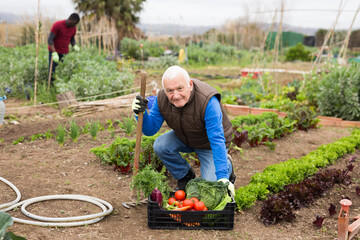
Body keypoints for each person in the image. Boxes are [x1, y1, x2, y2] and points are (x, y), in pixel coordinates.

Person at [132, 65, 236, 196]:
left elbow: (216, 140)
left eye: (180, 88)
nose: (175, 95)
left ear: (190, 84)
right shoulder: (162, 98)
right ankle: (185, 176)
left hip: (208, 144)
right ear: (164, 89)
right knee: (161, 145)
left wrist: (222, 177)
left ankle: (227, 168)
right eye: (170, 90)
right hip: (185, 136)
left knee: (210, 189)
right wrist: (140, 113)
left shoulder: (207, 101)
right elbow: (150, 130)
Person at [47, 13, 80, 84]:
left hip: (65, 53)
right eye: (74, 24)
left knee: (63, 71)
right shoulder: (58, 25)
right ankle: (50, 89)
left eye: (76, 24)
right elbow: (50, 39)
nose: (74, 26)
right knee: (53, 72)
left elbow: (72, 38)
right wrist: (54, 52)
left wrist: (74, 45)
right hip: (54, 52)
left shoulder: (73, 28)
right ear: (70, 19)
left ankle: (60, 87)